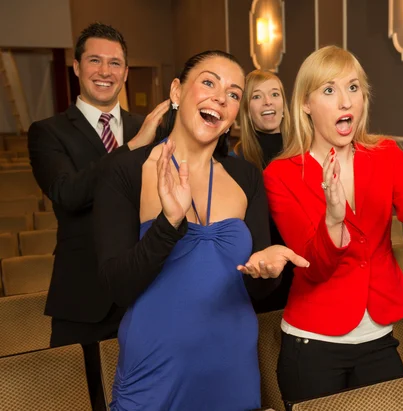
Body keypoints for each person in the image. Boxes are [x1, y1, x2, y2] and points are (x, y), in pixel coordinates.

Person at [93, 50, 308, 411]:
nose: (221, 97)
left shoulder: (246, 177)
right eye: (208, 82)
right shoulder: (125, 171)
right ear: (177, 92)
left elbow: (254, 288)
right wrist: (168, 223)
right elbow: (118, 287)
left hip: (232, 365)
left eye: (234, 93)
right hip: (156, 368)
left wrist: (268, 270)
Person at [263, 45, 403, 405]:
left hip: (377, 335)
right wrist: (333, 220)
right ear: (305, 104)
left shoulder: (385, 154)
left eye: (353, 87)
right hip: (313, 343)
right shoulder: (281, 174)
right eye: (329, 90)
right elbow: (313, 266)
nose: (345, 101)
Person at [28, 22, 166, 409]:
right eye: (95, 61)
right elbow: (68, 194)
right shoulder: (48, 132)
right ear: (76, 67)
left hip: (147, 291)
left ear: (125, 71)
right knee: (83, 400)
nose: (105, 72)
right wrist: (131, 149)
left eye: (115, 63)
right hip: (84, 295)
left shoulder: (147, 126)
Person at [234, 69, 293, 312]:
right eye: (257, 96)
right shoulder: (237, 159)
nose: (268, 102)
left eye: (275, 94)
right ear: (247, 108)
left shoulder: (307, 148)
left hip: (307, 265)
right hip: (264, 270)